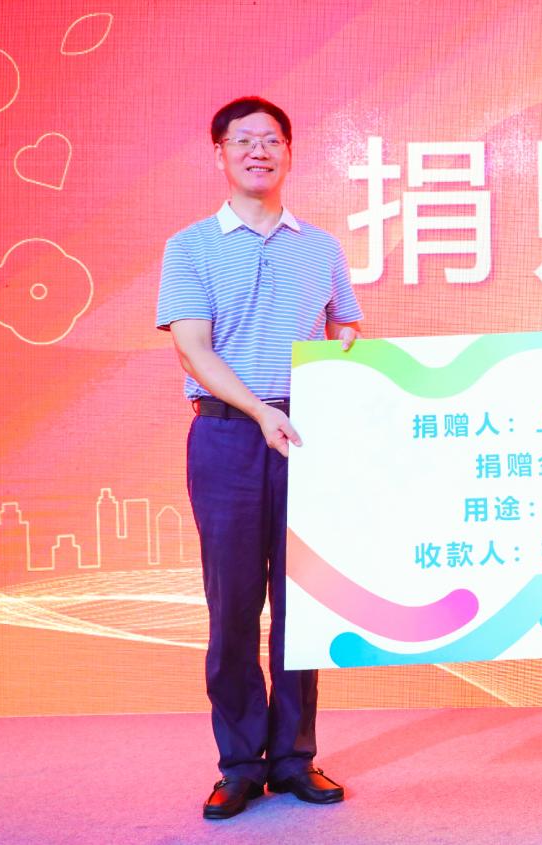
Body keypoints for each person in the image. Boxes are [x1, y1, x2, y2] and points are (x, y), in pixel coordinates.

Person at [156, 97, 363, 820]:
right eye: (242, 140)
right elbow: (192, 349)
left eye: (271, 139)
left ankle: (296, 758)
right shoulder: (190, 246)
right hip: (228, 439)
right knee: (234, 607)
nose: (258, 151)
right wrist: (259, 410)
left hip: (305, 436)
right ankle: (241, 764)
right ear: (219, 153)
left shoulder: (321, 247)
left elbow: (346, 328)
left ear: (289, 152)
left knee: (303, 606)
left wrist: (344, 354)